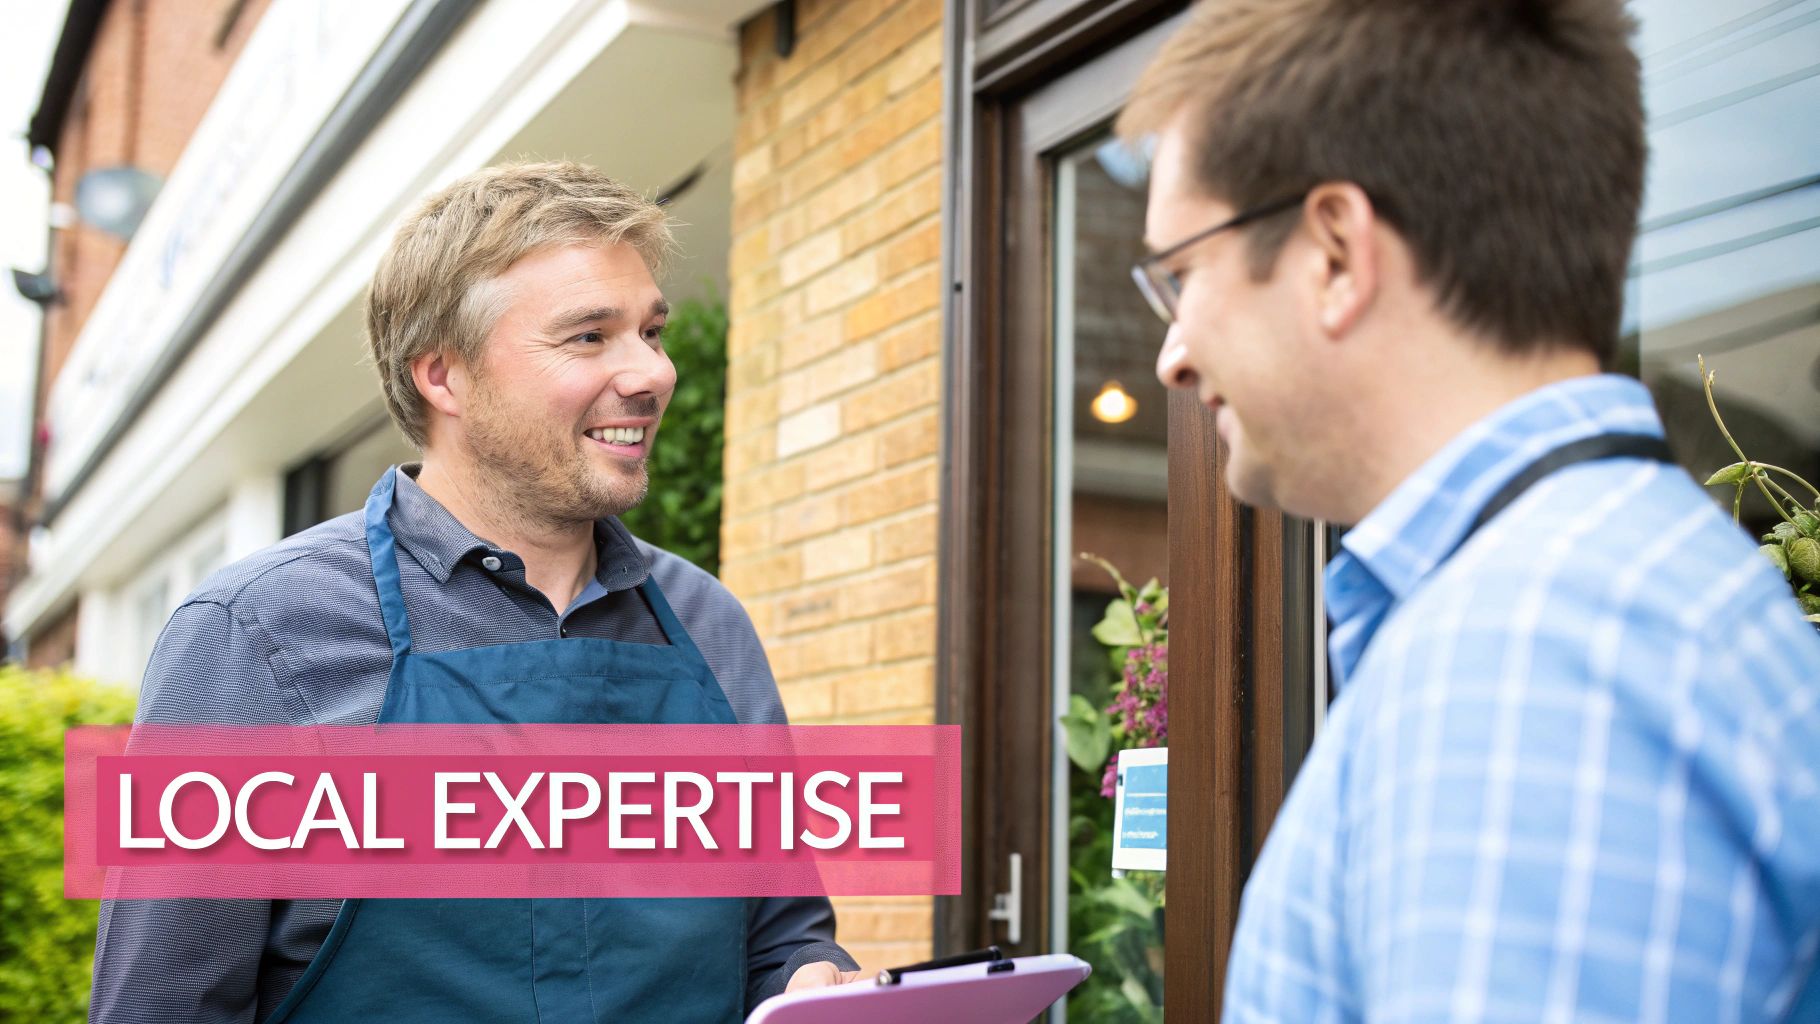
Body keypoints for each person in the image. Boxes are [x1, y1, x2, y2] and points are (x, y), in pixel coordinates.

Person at [1118, 0, 1820, 1019]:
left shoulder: (1528, 652)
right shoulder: (1601, 593)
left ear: (1331, 253)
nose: (1171, 352)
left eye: (1182, 274)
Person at [90, 161, 862, 1022]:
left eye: (651, 331)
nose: (651, 373)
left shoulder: (705, 621)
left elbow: (784, 931)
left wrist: (807, 978)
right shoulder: (259, 633)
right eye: (589, 337)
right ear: (443, 377)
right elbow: (161, 1007)